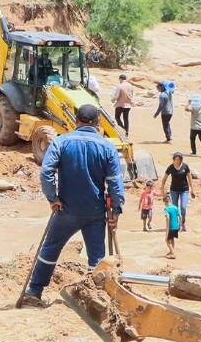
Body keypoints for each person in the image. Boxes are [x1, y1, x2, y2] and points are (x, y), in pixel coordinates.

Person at [20, 104, 124, 308]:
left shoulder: (61, 142)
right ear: (98, 122)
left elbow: (45, 172)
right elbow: (115, 182)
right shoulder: (107, 147)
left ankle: (34, 290)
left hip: (66, 208)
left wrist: (52, 198)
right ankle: (98, 299)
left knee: (50, 249)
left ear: (76, 120)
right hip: (95, 211)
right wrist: (116, 210)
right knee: (97, 258)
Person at [160, 151, 195, 233]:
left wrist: (192, 189)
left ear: (181, 160)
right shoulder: (170, 167)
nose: (177, 161)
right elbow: (164, 179)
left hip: (184, 190)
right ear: (173, 159)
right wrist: (163, 189)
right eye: (176, 159)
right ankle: (176, 225)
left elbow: (190, 178)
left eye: (179, 159)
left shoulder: (185, 167)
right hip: (174, 190)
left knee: (183, 207)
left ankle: (183, 223)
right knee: (175, 208)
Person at [164, 194, 181, 258]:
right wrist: (180, 225)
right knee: (172, 239)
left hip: (170, 227)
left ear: (165, 202)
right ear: (170, 200)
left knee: (167, 240)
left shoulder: (166, 209)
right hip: (176, 226)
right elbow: (180, 216)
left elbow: (168, 218)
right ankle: (171, 251)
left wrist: (167, 228)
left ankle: (173, 253)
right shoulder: (175, 207)